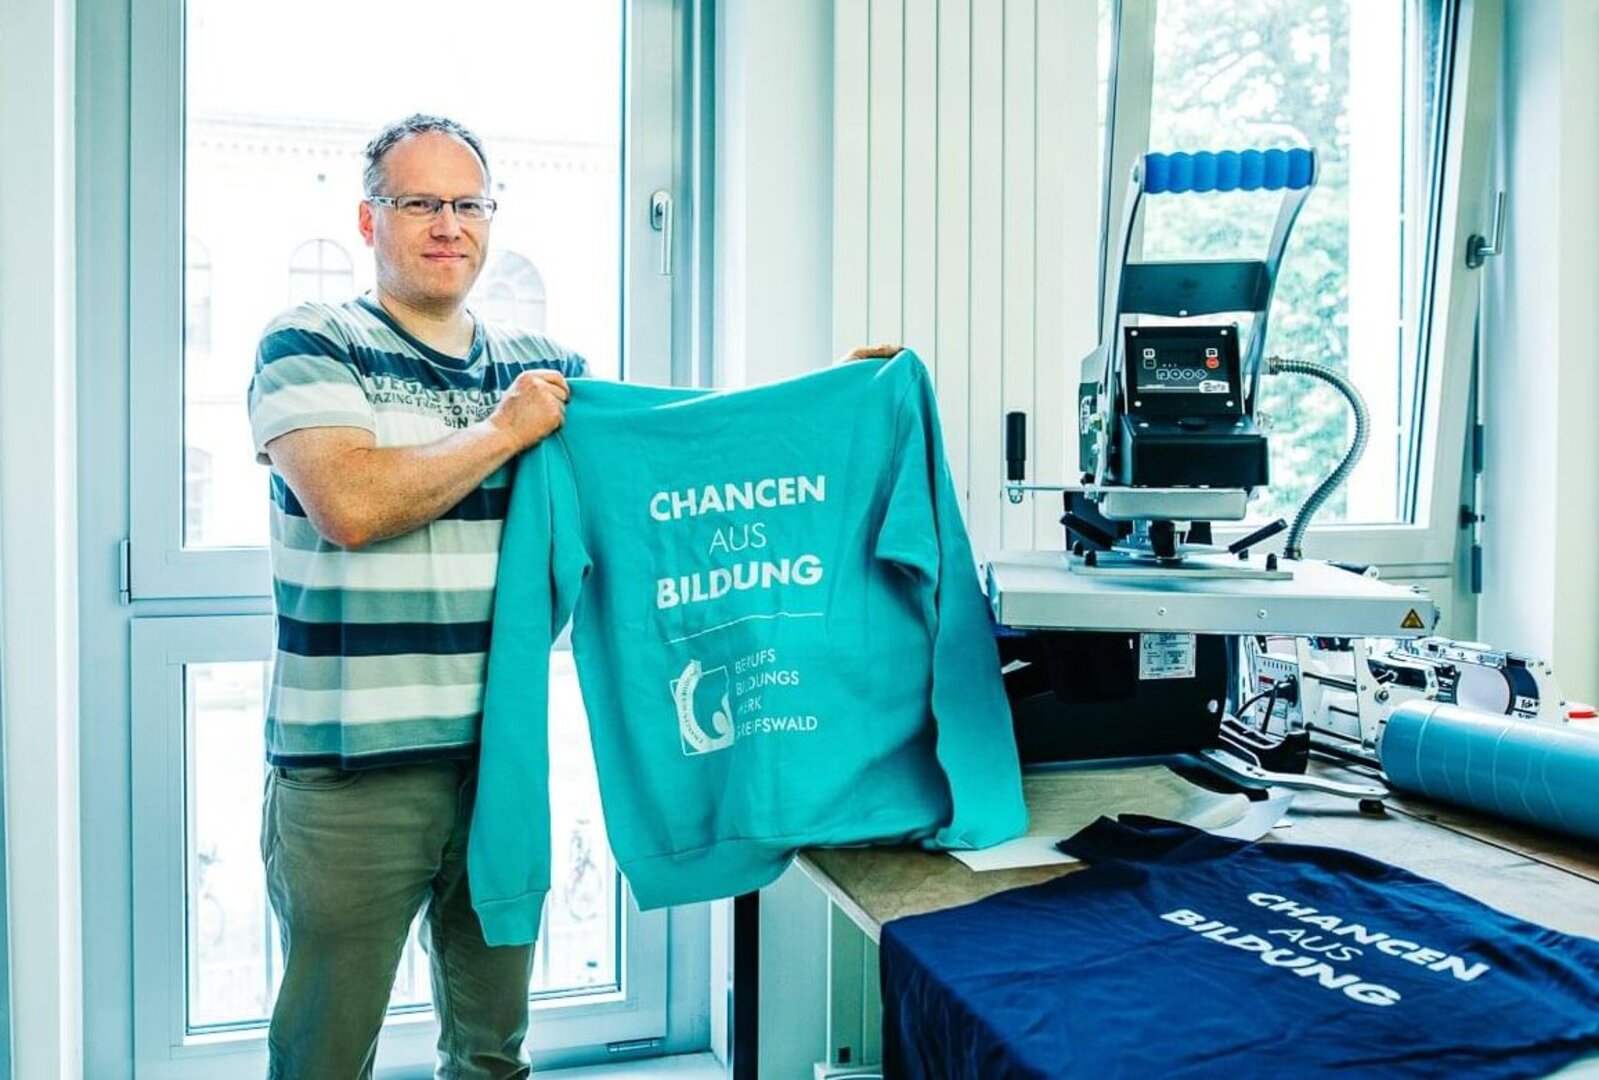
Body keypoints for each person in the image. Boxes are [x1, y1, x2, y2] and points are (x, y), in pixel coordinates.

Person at [249, 112, 899, 1078]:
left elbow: (679, 454)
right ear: (367, 218)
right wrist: (501, 434)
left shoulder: (540, 370)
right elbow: (349, 503)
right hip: (353, 777)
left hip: (499, 766)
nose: (447, 225)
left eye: (468, 204)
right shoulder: (311, 341)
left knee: (493, 1049)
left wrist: (831, 403)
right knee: (323, 1053)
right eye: (419, 202)